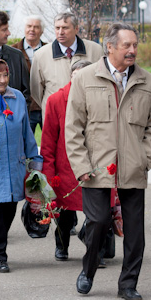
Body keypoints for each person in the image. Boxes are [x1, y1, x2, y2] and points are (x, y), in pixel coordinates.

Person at [65, 23, 151, 300]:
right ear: (109, 47)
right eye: (127, 46)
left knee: (135, 229)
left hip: (133, 166)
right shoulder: (84, 78)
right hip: (96, 167)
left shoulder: (149, 82)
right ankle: (88, 270)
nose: (133, 50)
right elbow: (73, 128)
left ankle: (128, 283)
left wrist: (145, 159)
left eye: (135, 45)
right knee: (97, 221)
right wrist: (81, 166)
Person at [0, 58, 42, 273]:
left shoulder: (17, 99)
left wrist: (35, 161)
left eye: (5, 75)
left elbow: (26, 133)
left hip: (13, 167)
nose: (3, 80)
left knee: (7, 213)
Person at [41, 60, 95, 261]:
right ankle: (61, 245)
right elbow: (48, 141)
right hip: (64, 167)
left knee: (97, 211)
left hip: (92, 164)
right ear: (70, 77)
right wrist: (49, 172)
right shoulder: (56, 100)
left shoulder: (96, 98)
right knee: (64, 213)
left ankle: (94, 245)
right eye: (76, 76)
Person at [30, 11, 103, 124]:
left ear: (76, 29)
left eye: (65, 28)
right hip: (54, 117)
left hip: (87, 116)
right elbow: (36, 91)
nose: (60, 32)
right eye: (57, 28)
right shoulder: (41, 55)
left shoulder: (96, 50)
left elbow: (101, 82)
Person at [11, 16, 45, 134]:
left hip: (45, 106)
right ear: (24, 29)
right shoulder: (13, 51)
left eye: (36, 27)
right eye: (29, 26)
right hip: (25, 107)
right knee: (24, 144)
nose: (32, 30)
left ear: (42, 31)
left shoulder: (49, 50)